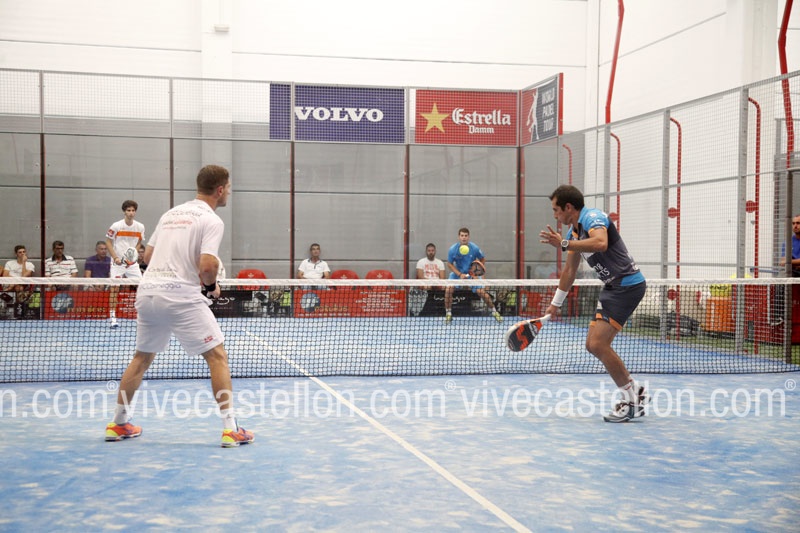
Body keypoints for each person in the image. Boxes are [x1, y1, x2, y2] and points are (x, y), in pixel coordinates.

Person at [105, 164, 254, 448]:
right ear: (220, 190)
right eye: (228, 188)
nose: (229, 193)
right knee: (217, 357)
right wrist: (211, 287)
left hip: (148, 293)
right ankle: (230, 429)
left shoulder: (170, 214)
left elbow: (147, 257)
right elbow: (207, 265)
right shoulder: (212, 220)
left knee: (141, 358)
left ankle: (118, 423)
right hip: (181, 296)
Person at [539, 184, 647, 423]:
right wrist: (555, 304)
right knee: (593, 345)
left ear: (569, 207)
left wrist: (564, 244)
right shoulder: (574, 233)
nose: (554, 215)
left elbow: (600, 243)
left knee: (598, 344)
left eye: (556, 210)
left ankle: (632, 402)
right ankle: (634, 390)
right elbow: (569, 271)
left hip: (627, 285)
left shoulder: (593, 217)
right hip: (612, 287)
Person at [444, 227, 502, 323]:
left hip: (471, 273)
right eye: (462, 235)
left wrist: (475, 273)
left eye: (466, 236)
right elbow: (449, 264)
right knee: (448, 289)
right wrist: (459, 274)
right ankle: (448, 314)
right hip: (458, 273)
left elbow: (482, 259)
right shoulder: (453, 249)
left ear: (468, 237)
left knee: (481, 292)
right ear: (459, 237)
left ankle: (494, 312)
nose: (464, 237)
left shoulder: (474, 248)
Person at [105, 200, 145, 327]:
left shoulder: (140, 227)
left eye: (133, 210)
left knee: (142, 287)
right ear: (124, 211)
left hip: (132, 264)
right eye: (128, 210)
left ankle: (143, 316)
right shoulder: (116, 226)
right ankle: (113, 318)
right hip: (117, 263)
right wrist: (115, 258)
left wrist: (132, 257)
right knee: (114, 289)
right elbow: (108, 242)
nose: (131, 213)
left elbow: (139, 243)